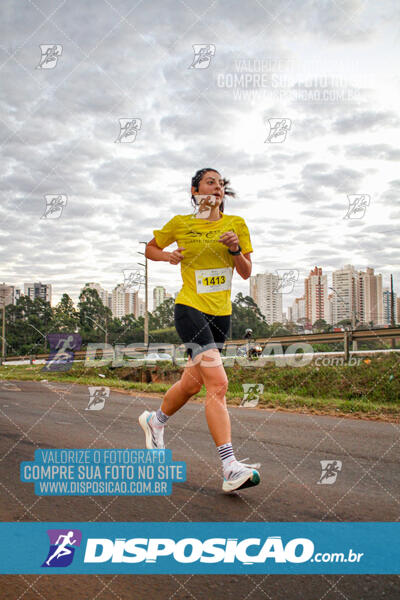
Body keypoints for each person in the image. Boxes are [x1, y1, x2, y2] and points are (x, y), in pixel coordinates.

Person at [139, 168, 260, 493]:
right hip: (189, 309)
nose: (217, 187)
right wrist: (167, 256)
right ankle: (230, 466)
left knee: (192, 383)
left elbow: (246, 273)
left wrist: (235, 250)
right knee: (218, 384)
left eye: (221, 184)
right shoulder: (181, 224)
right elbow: (150, 248)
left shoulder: (236, 225)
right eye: (210, 182)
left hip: (220, 316)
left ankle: (155, 421)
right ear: (195, 191)